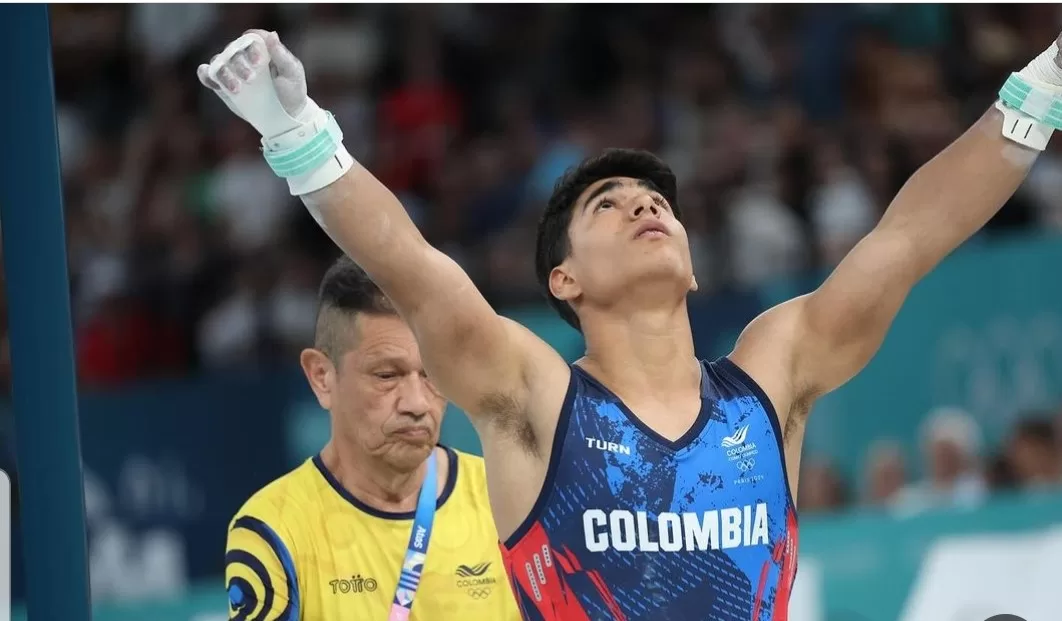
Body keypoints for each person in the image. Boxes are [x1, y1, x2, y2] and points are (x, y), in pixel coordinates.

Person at [201, 29, 1062, 620]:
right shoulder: (535, 400)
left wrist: (1044, 89)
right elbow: (414, 268)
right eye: (609, 205)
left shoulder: (771, 376)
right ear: (563, 279)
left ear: (691, 263)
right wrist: (302, 138)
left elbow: (908, 238)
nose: (645, 205)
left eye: (656, 201)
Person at [224, 256, 520, 620]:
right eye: (386, 376)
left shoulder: (508, 501)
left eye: (432, 374)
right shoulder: (273, 527)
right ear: (322, 376)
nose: (416, 403)